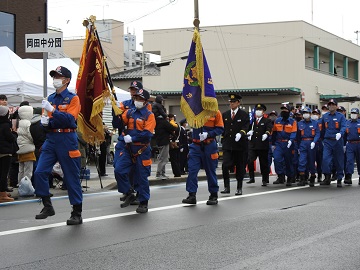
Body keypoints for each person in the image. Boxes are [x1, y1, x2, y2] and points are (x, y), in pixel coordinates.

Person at [34, 66, 83, 225]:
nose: (55, 78)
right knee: (40, 171)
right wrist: (44, 123)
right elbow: (47, 120)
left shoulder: (73, 98)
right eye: (54, 75)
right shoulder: (50, 98)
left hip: (67, 138)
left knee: (70, 176)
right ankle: (47, 205)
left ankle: (76, 212)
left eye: (59, 76)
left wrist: (52, 112)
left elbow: (70, 119)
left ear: (67, 80)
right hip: (51, 138)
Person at [114, 89, 155, 213]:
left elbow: (148, 134)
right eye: (136, 98)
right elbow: (118, 123)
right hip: (129, 149)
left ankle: (143, 202)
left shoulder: (149, 115)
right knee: (119, 170)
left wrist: (133, 138)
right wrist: (115, 110)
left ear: (145, 101)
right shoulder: (130, 112)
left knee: (141, 176)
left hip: (142, 149)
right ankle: (128, 192)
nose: (137, 100)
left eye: (140, 98)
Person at [182, 109, 224, 205]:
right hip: (195, 146)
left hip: (209, 145)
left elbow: (220, 128)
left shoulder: (215, 112)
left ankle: (213, 195)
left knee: (210, 171)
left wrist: (208, 134)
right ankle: (192, 195)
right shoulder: (194, 110)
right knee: (192, 170)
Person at [220, 94, 249, 195]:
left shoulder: (244, 114)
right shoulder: (225, 114)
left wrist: (241, 133)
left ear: (238, 103)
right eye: (230, 102)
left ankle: (239, 187)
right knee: (225, 165)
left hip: (240, 145)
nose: (231, 104)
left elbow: (246, 127)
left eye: (233, 102)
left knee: (240, 166)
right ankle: (226, 187)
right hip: (228, 145)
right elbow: (222, 128)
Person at [320, 99, 346, 187]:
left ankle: (339, 178)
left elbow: (344, 127)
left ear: (336, 106)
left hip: (337, 141)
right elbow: (322, 129)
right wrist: (322, 139)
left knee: (339, 160)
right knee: (325, 159)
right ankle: (327, 177)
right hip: (327, 141)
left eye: (333, 104)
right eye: (329, 104)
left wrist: (340, 133)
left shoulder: (341, 116)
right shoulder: (325, 116)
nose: (331, 106)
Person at [246, 104, 273, 186]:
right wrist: (248, 133)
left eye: (260, 110)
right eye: (257, 110)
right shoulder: (252, 121)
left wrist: (266, 134)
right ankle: (251, 177)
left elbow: (269, 129)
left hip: (262, 145)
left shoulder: (266, 121)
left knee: (263, 163)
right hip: (253, 144)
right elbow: (248, 128)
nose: (258, 111)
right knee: (250, 160)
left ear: (263, 111)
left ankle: (265, 179)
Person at [272, 103, 297, 186]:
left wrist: (291, 140)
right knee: (276, 159)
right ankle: (280, 176)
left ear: (289, 111)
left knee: (288, 161)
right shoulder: (277, 121)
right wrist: (272, 143)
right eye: (282, 110)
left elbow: (294, 132)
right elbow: (274, 133)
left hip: (288, 143)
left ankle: (289, 177)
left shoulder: (293, 122)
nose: (283, 111)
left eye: (285, 110)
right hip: (279, 143)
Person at [296, 107, 320, 187]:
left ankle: (312, 176)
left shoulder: (315, 123)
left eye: (307, 112)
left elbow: (317, 133)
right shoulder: (300, 123)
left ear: (310, 114)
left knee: (311, 161)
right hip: (303, 143)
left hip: (312, 143)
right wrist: (299, 146)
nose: (305, 114)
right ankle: (302, 178)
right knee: (302, 161)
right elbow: (298, 136)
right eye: (304, 113)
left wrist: (314, 142)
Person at [154, 109, 178, 180]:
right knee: (163, 158)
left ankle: (162, 173)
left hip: (160, 141)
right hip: (164, 142)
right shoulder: (163, 122)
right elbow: (172, 127)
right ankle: (159, 174)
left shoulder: (157, 121)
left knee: (163, 157)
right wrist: (172, 121)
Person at [16, 104, 36, 185]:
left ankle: (20, 184)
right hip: (28, 148)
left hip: (20, 148)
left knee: (21, 169)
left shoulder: (18, 122)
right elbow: (30, 135)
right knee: (28, 170)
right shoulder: (29, 123)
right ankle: (26, 187)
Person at [0, 105, 15, 202]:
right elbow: (10, 138)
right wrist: (14, 133)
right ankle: (2, 194)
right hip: (5, 152)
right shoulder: (6, 125)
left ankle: (2, 192)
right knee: (3, 174)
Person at [343, 108, 360, 185]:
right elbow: (344, 135)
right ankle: (348, 176)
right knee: (349, 160)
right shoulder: (347, 123)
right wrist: (343, 145)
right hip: (350, 143)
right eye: (352, 113)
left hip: (359, 143)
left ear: (358, 114)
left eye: (355, 113)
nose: (353, 114)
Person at [311, 109, 323, 182]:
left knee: (319, 160)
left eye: (316, 114)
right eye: (314, 113)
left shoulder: (322, 122)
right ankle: (312, 174)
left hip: (320, 142)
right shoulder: (310, 122)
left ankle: (320, 175)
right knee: (311, 159)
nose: (315, 115)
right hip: (311, 142)